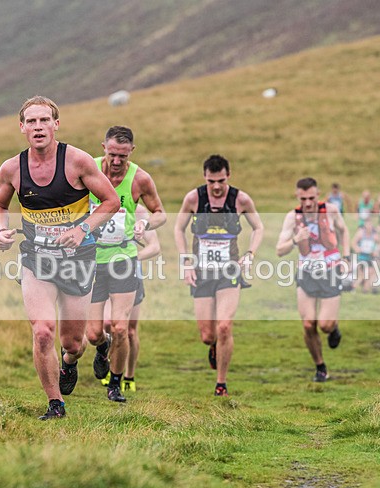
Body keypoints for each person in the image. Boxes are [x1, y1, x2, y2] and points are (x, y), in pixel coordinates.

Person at [0, 96, 120, 420]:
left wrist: (82, 230)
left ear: (55, 125)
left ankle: (73, 360)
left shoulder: (77, 162)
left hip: (77, 260)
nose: (38, 127)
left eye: (44, 120)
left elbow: (111, 201)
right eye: (31, 122)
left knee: (74, 342)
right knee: (43, 330)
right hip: (37, 259)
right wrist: (2, 230)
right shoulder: (11, 169)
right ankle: (55, 403)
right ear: (22, 127)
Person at [86, 126, 166, 403]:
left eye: (123, 155)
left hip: (124, 259)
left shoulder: (140, 179)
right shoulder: (89, 169)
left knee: (121, 327)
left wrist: (145, 223)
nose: (117, 161)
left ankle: (115, 384)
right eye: (112, 154)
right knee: (94, 332)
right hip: (91, 261)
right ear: (103, 148)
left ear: (132, 150)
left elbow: (160, 213)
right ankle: (102, 347)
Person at [174, 154, 264, 396]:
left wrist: (250, 254)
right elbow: (178, 228)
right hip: (202, 273)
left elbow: (259, 227)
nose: (216, 186)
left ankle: (221, 383)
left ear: (228, 177)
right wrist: (186, 262)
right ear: (205, 177)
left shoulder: (240, 199)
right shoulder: (194, 198)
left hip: (229, 272)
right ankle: (213, 346)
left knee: (224, 326)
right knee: (208, 335)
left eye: (221, 181)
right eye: (211, 181)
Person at [276, 177, 350, 382]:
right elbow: (279, 250)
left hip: (331, 271)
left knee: (325, 325)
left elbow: (344, 231)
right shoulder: (293, 217)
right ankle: (320, 366)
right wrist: (294, 240)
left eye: (311, 198)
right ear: (297, 196)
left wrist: (347, 257)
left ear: (318, 195)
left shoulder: (331, 210)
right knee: (309, 324)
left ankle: (334, 328)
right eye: (303, 198)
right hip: (306, 272)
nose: (307, 203)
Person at [99, 204, 161, 392]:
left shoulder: (137, 210)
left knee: (130, 331)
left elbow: (154, 247)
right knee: (108, 324)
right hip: (104, 272)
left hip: (129, 274)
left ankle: (129, 376)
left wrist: (131, 258)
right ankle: (111, 366)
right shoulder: (97, 203)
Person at [352, 216, 379, 293]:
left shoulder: (375, 235)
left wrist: (375, 251)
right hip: (361, 258)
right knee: (362, 275)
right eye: (367, 224)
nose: (369, 226)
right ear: (364, 225)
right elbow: (353, 243)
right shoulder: (360, 233)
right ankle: (353, 287)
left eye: (370, 224)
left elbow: (379, 246)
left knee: (370, 273)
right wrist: (357, 249)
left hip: (370, 258)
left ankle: (365, 290)